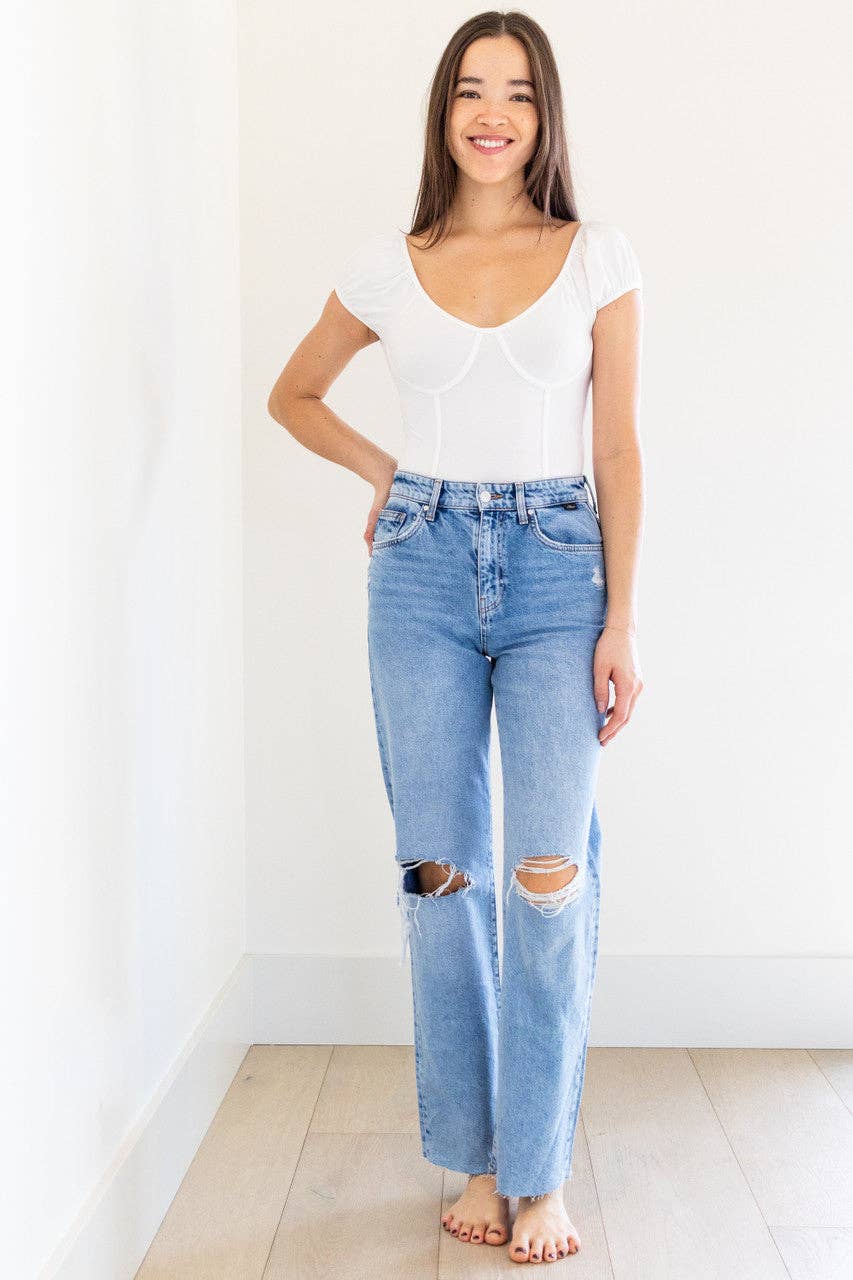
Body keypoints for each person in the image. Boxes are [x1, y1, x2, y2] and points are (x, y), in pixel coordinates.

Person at [267, 9, 644, 1266]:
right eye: (472, 90)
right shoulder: (389, 264)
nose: (493, 113)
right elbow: (292, 393)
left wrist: (621, 618)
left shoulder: (594, 256)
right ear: (443, 113)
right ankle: (479, 1159)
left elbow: (616, 449)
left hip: (557, 571)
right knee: (440, 877)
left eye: (518, 93)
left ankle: (540, 1172)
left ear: (544, 117)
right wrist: (387, 473)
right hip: (421, 573)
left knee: (548, 876)